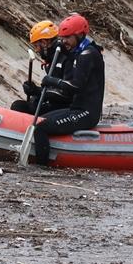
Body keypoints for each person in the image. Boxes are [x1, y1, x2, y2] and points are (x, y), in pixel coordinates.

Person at [32, 13, 105, 165]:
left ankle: (41, 169)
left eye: (67, 37)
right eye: (62, 37)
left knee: (41, 129)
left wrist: (53, 81)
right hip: (76, 109)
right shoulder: (79, 51)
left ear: (79, 35)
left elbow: (75, 86)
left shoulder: (88, 54)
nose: (63, 41)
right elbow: (63, 56)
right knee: (42, 119)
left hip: (87, 114)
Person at [11, 20, 71, 114]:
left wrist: (37, 91)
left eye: (36, 46)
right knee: (21, 105)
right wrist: (33, 91)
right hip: (54, 103)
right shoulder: (52, 59)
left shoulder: (66, 59)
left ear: (44, 43)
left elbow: (66, 94)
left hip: (65, 107)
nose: (36, 50)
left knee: (19, 106)